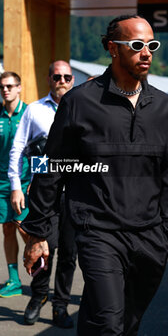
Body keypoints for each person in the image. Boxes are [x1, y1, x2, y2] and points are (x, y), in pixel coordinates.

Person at [21, 15, 168, 336]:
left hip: (151, 237)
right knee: (109, 321)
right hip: (99, 233)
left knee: (126, 323)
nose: (147, 52)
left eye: (152, 45)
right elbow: (53, 168)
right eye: (136, 45)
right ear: (112, 48)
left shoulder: (163, 107)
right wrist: (38, 233)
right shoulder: (79, 102)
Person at [8, 60, 77, 328]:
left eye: (67, 76)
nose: (62, 80)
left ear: (72, 80)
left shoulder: (82, 110)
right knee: (41, 247)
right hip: (43, 194)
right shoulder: (34, 110)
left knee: (69, 254)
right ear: (49, 79)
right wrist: (16, 184)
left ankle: (60, 306)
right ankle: (38, 298)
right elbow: (18, 149)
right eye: (57, 76)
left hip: (74, 192)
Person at [0, 71, 31, 298]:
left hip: (26, 182)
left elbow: (42, 148)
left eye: (10, 86)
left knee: (25, 228)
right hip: (1, 183)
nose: (6, 90)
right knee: (7, 228)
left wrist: (38, 180)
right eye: (2, 87)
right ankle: (14, 280)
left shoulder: (30, 113)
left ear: (19, 88)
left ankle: (39, 275)